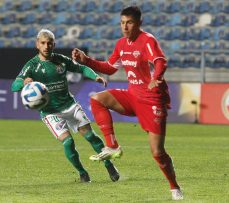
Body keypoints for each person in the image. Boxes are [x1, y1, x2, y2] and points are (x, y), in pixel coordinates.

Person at [72, 6, 183, 200]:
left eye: (129, 22)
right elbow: (109, 68)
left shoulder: (147, 40)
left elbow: (160, 60)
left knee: (157, 152)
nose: (125, 26)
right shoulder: (121, 44)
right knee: (97, 99)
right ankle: (113, 146)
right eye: (122, 22)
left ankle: (174, 188)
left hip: (151, 100)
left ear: (139, 23)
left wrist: (156, 77)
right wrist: (86, 60)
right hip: (133, 97)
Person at [11, 29, 120, 183]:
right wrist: (23, 82)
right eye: (43, 43)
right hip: (50, 112)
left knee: (91, 136)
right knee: (68, 142)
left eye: (49, 43)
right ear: (37, 45)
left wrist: (95, 76)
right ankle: (82, 173)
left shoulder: (61, 60)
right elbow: (14, 86)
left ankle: (109, 165)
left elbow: (81, 68)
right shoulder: (31, 66)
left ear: (54, 44)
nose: (46, 46)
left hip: (69, 106)